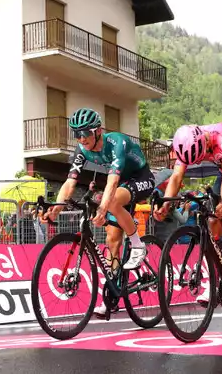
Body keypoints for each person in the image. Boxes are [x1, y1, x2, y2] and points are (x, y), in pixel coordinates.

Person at [44, 107, 156, 317]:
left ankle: (138, 246)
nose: (81, 138)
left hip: (141, 178)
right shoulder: (81, 149)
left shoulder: (116, 143)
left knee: (111, 200)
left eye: (85, 133)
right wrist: (56, 209)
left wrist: (103, 209)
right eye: (76, 134)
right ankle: (112, 296)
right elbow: (70, 182)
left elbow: (113, 181)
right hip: (121, 182)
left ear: (98, 131)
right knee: (113, 240)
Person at [153, 123, 222, 293]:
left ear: (205, 143)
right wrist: (165, 204)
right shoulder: (187, 142)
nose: (200, 161)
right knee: (213, 220)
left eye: (201, 157)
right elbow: (176, 177)